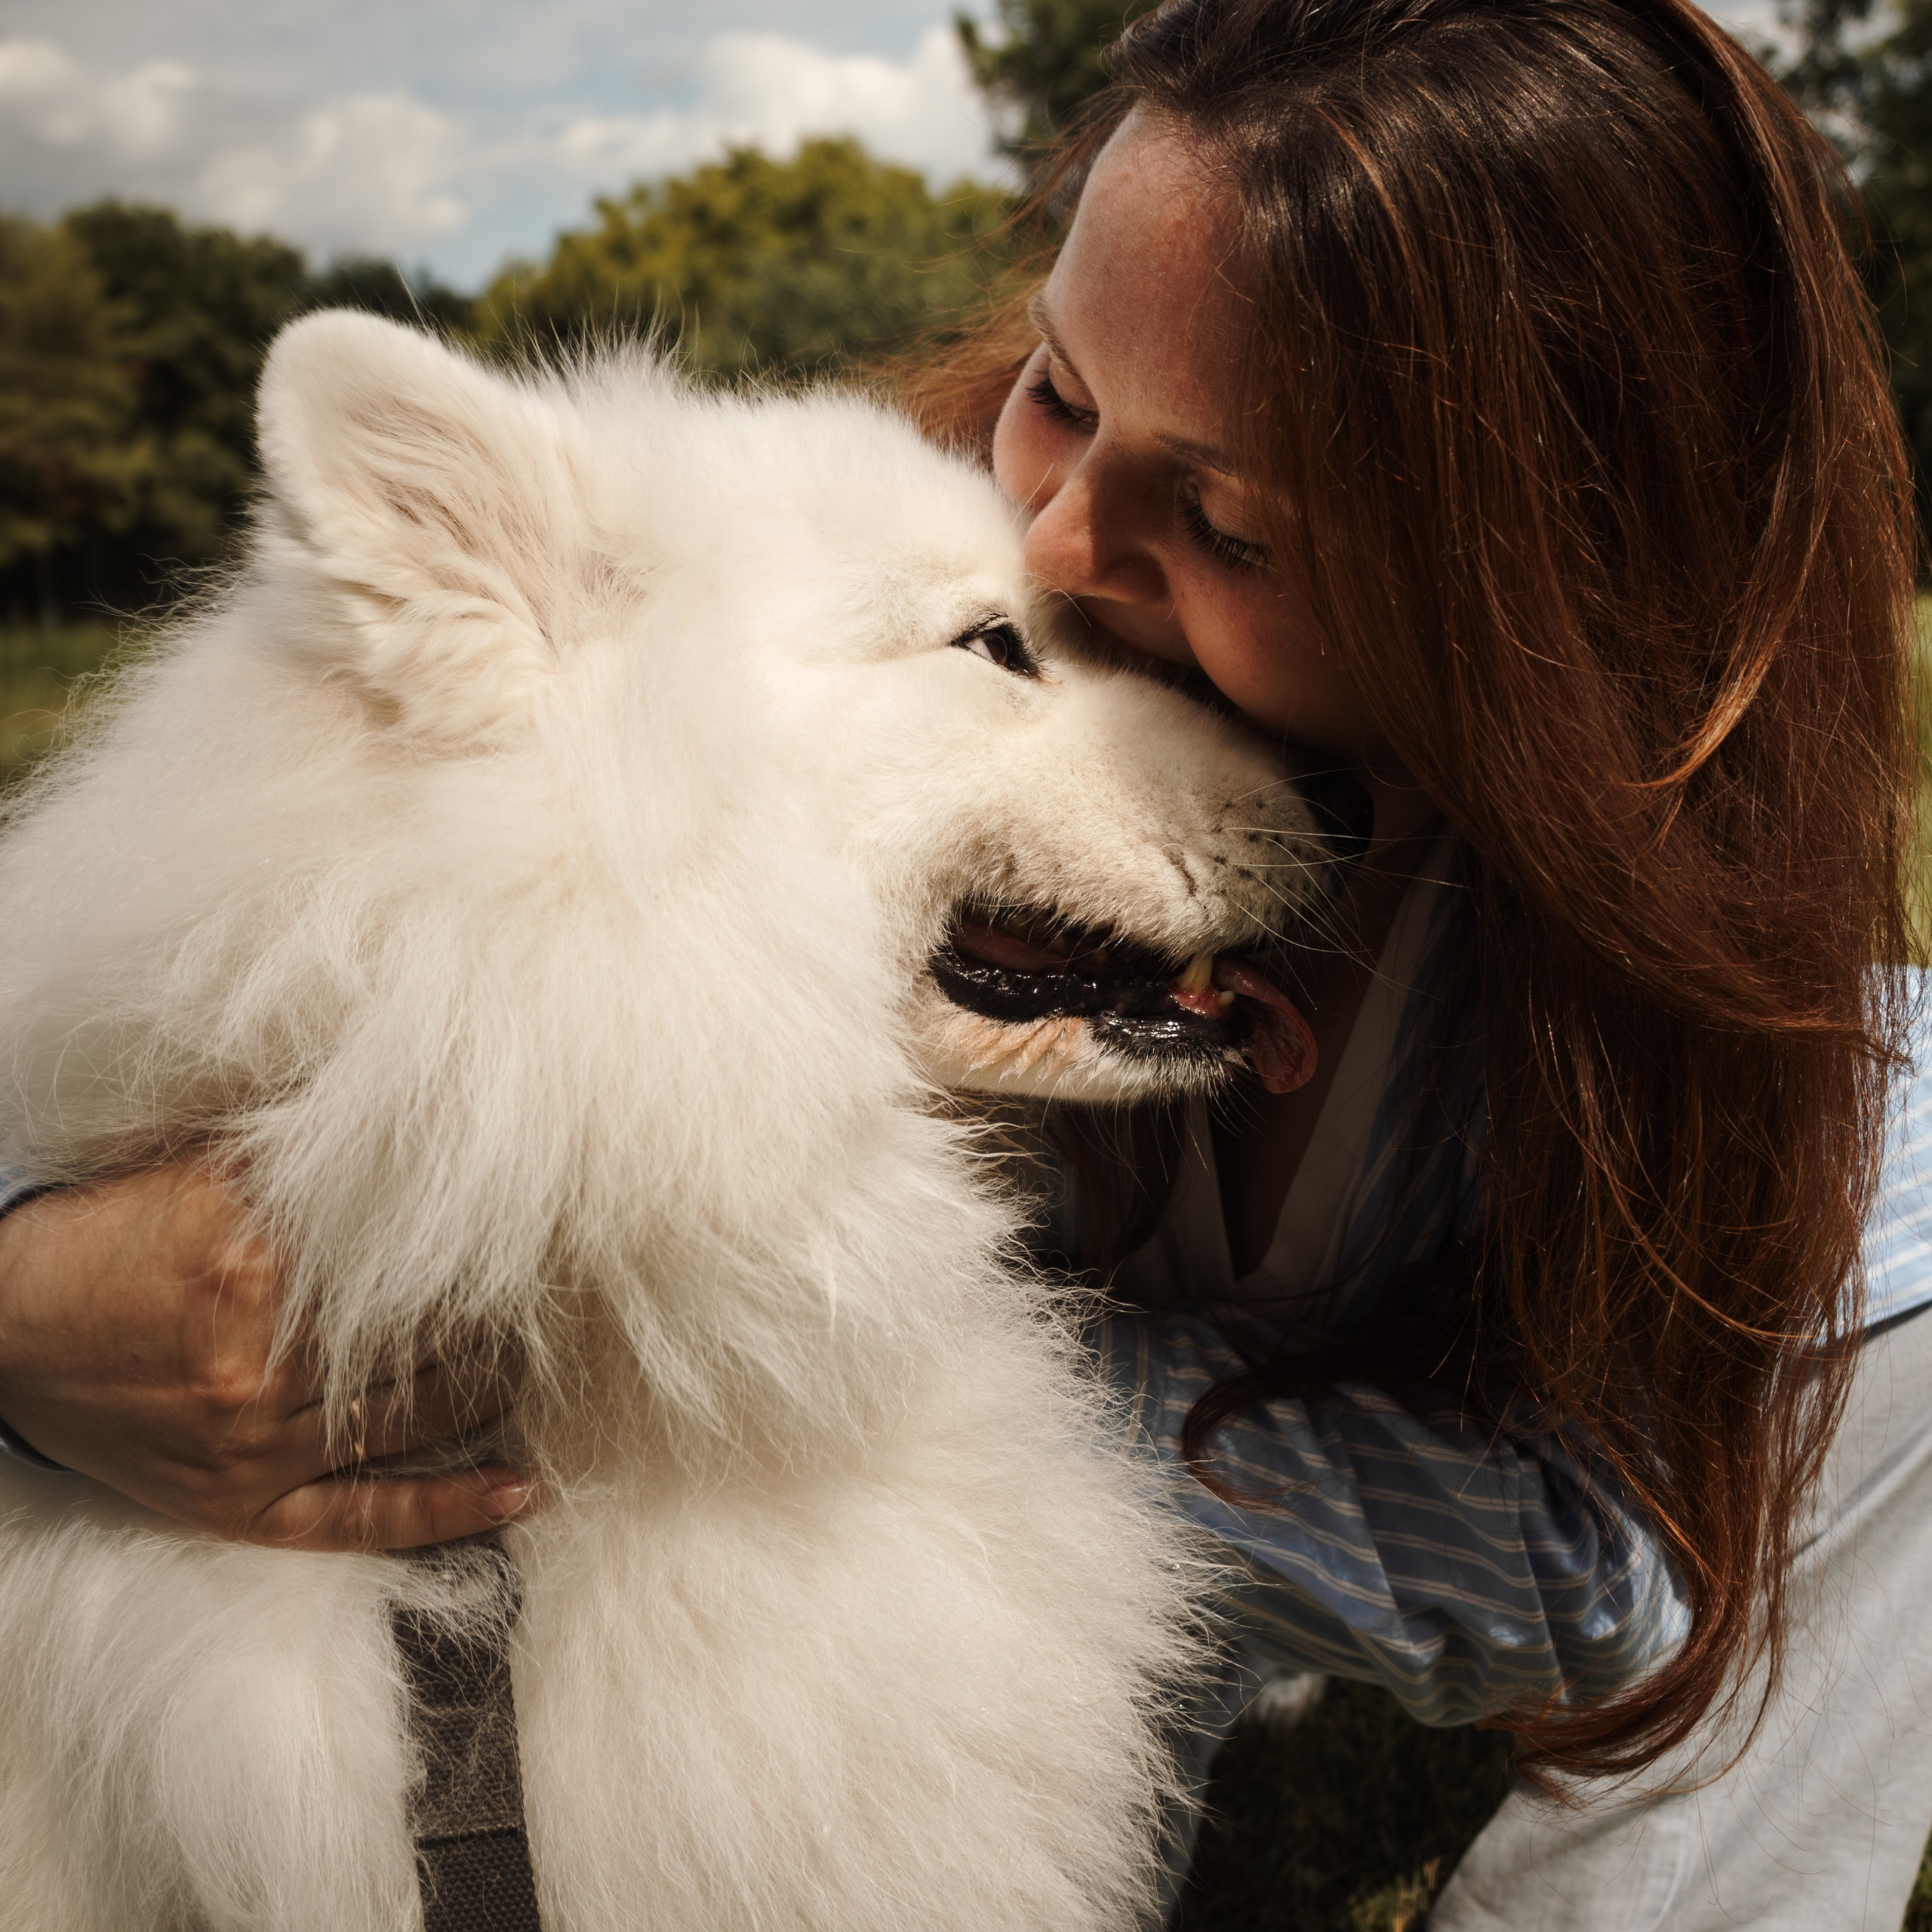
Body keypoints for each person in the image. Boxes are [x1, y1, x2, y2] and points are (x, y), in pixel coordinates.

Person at [0, 0, 1926, 1924]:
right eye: (1064, 386)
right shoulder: (884, 560)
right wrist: (29, 1288)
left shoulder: (1705, 1031)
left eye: (1230, 519)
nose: (1057, 541)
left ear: (1517, 591)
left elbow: (1614, 1559)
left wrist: (947, 1401)